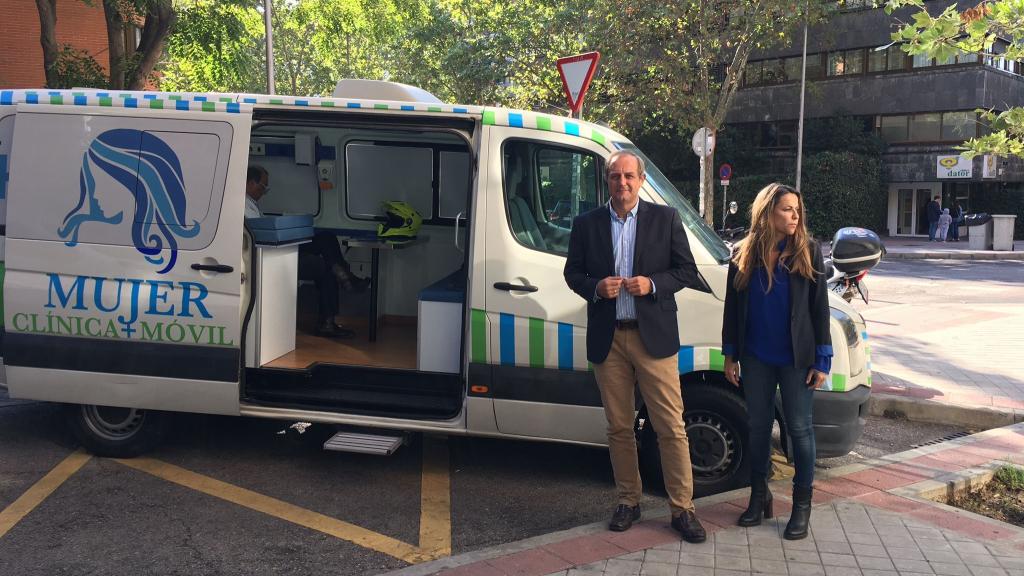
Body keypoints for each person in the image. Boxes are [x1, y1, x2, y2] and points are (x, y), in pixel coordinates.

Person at [563, 150, 706, 543]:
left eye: (628, 176)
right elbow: (572, 273)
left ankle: (682, 509)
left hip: (653, 338)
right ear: (606, 181)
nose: (622, 183)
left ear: (641, 180)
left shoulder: (666, 219)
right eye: (614, 177)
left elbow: (687, 272)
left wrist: (653, 284)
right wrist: (594, 287)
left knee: (671, 427)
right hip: (609, 339)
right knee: (619, 428)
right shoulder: (587, 224)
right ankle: (629, 500)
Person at [721, 183, 831, 541]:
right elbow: (732, 309)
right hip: (755, 357)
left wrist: (822, 359)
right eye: (787, 209)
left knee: (799, 429)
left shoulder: (808, 251)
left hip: (796, 359)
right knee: (757, 427)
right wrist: (730, 354)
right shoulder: (743, 252)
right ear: (767, 212)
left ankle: (801, 506)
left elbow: (819, 310)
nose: (795, 215)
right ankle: (759, 496)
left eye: (797, 209)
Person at [245, 165, 365, 338]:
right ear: (250, 183)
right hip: (269, 255)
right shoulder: (242, 205)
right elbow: (259, 234)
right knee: (325, 268)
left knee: (326, 237)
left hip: (278, 247)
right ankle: (331, 313)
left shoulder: (251, 204)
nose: (264, 192)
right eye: (263, 187)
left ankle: (344, 276)